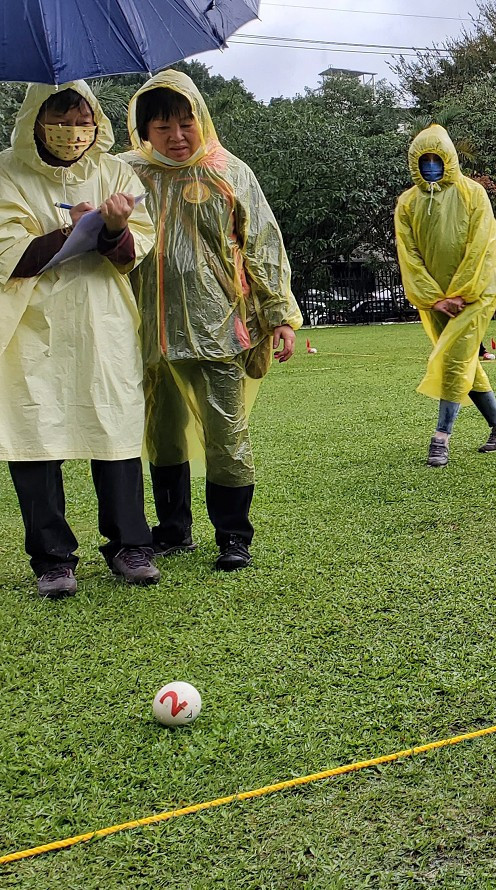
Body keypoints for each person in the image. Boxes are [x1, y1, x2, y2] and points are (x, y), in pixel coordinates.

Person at [123, 70, 302, 571]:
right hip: (144, 327)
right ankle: (173, 529)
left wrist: (279, 313)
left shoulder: (229, 171)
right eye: (162, 128)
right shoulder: (124, 173)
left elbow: (262, 244)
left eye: (186, 123)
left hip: (217, 325)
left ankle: (233, 536)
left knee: (227, 431)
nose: (177, 137)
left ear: (202, 119)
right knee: (161, 431)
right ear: (143, 131)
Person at [0, 81, 159, 596]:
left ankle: (129, 545)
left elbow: (134, 250)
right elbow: (10, 254)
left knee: (113, 426)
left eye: (82, 120)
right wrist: (72, 233)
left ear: (97, 123)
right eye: (61, 119)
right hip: (33, 325)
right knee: (34, 436)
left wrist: (110, 229)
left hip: (100, 320)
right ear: (35, 120)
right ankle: (51, 559)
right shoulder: (7, 172)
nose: (73, 132)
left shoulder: (116, 171)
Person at [395, 124, 496, 467]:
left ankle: (441, 438)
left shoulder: (473, 194)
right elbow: (410, 257)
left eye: (437, 158)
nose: (431, 165)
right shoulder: (407, 204)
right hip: (436, 301)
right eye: (424, 159)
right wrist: (435, 298)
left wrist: (461, 293)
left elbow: (482, 247)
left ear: (449, 159)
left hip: (476, 295)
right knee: (464, 361)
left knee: (453, 359)